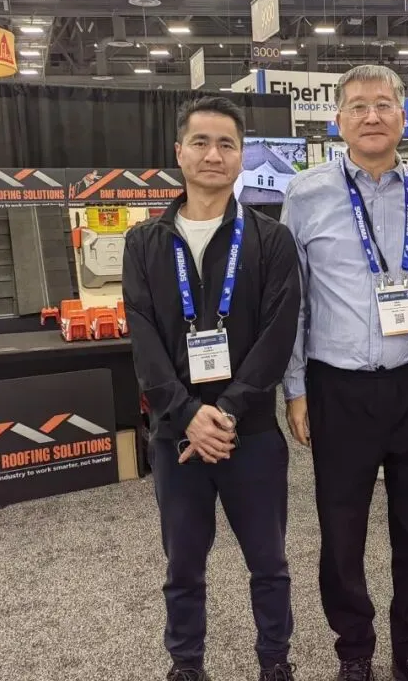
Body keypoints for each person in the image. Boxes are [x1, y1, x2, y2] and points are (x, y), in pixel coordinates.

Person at [122, 96, 302, 681]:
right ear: (179, 152)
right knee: (183, 567)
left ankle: (275, 661)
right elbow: (144, 341)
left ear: (241, 156)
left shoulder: (271, 240)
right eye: (200, 142)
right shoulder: (144, 243)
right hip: (177, 436)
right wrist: (187, 414)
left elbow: (277, 336)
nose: (213, 154)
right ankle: (186, 664)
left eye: (227, 144)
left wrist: (224, 412)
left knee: (269, 564)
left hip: (251, 433)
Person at [280, 65, 408, 681]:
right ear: (338, 121)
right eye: (357, 106)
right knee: (342, 530)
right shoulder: (305, 195)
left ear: (403, 116)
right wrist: (295, 388)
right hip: (338, 388)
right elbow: (293, 301)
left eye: (383, 104)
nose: (371, 116)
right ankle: (354, 649)